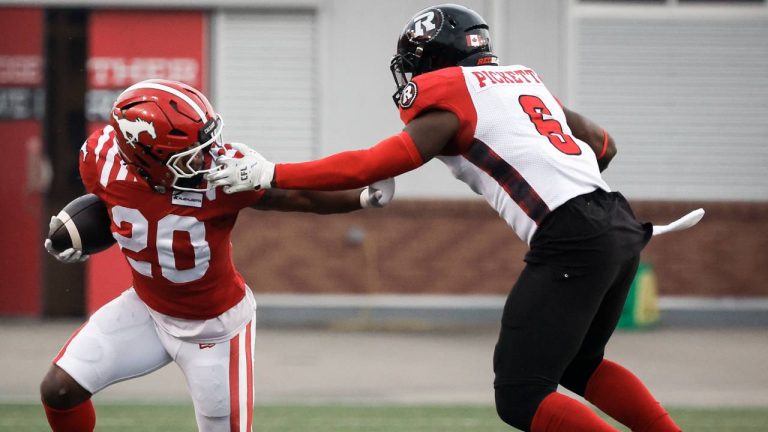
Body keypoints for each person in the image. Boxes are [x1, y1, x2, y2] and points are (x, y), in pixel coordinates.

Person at [207, 4, 684, 432]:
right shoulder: (523, 83)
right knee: (580, 365)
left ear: (430, 61)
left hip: (575, 234)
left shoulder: (452, 96)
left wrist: (272, 171)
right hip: (619, 221)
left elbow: (372, 163)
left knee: (521, 395)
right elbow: (606, 145)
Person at [40, 78, 394, 432]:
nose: (207, 157)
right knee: (59, 389)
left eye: (206, 143)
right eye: (190, 154)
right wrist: (79, 238)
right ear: (146, 158)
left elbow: (295, 196)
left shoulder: (221, 173)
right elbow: (115, 206)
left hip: (217, 329)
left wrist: (360, 197)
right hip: (147, 310)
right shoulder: (100, 159)